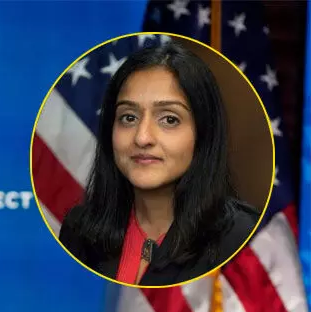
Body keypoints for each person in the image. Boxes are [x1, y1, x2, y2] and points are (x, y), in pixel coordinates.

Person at [57, 41, 260, 286]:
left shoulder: (245, 238)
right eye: (128, 117)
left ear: (203, 133)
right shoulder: (79, 232)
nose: (142, 137)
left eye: (169, 119)